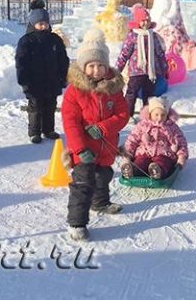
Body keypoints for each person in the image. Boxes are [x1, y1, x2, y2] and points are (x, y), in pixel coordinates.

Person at [61, 28, 129, 242]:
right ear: (83, 67)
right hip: (84, 149)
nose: (96, 70)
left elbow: (123, 114)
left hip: (105, 146)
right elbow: (70, 122)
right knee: (83, 184)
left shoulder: (113, 89)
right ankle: (76, 223)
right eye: (91, 65)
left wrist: (103, 128)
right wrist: (80, 149)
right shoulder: (75, 92)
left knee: (103, 177)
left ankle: (100, 203)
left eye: (100, 65)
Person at [16, 0, 69, 144]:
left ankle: (48, 129)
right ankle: (34, 132)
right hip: (34, 82)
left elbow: (63, 59)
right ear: (33, 24)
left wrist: (63, 76)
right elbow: (21, 63)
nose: (43, 26)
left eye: (45, 23)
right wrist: (24, 82)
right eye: (40, 23)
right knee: (35, 107)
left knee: (50, 106)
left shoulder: (55, 40)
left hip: (52, 81)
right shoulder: (26, 41)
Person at [116, 4, 168, 117]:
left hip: (151, 72)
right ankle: (127, 115)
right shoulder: (132, 36)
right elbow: (124, 54)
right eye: (143, 20)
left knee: (148, 94)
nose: (146, 23)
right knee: (131, 93)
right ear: (138, 22)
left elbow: (160, 53)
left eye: (148, 20)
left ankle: (146, 116)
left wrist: (165, 68)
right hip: (136, 71)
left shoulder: (153, 36)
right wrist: (117, 69)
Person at [121, 96, 188, 179]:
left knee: (163, 163)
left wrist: (182, 156)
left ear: (167, 114)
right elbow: (132, 140)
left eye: (163, 115)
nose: (159, 118)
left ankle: (157, 171)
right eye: (156, 114)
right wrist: (127, 155)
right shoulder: (143, 125)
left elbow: (181, 142)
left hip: (164, 154)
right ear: (150, 114)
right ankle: (133, 171)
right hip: (144, 153)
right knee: (140, 162)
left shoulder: (172, 127)